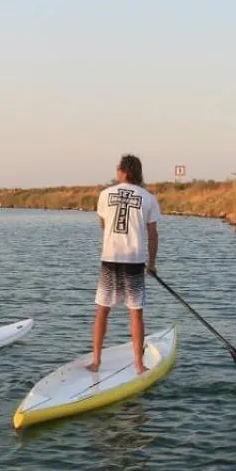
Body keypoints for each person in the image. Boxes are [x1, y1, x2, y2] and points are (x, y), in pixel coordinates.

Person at [91, 154, 160, 374]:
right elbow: (153, 235)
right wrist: (152, 264)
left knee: (103, 311)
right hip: (134, 260)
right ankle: (139, 366)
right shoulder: (148, 198)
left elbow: (103, 224)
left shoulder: (104, 194)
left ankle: (96, 362)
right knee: (135, 313)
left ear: (124, 171)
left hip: (111, 258)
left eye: (118, 168)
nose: (116, 171)